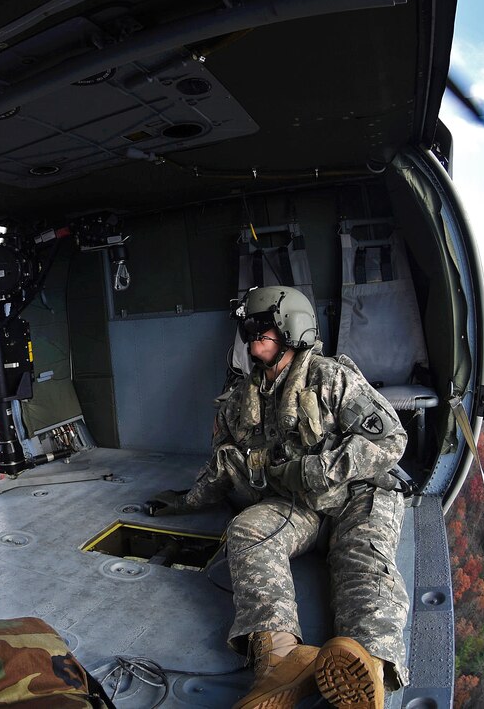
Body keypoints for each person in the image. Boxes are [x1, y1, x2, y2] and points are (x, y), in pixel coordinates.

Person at [149, 286, 410, 709]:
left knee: (362, 559)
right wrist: (186, 500)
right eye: (248, 332)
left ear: (291, 329)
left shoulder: (331, 378)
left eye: (262, 331)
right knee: (248, 531)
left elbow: (390, 440)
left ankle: (367, 665)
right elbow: (225, 463)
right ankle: (281, 658)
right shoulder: (239, 400)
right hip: (299, 505)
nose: (252, 342)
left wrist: (317, 468)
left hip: (355, 496)